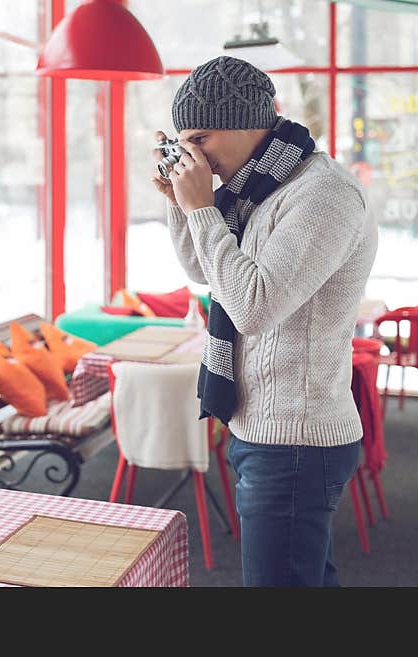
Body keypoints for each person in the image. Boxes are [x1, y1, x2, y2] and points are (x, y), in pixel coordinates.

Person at [151, 56, 377, 586]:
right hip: (264, 426)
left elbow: (252, 307)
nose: (193, 156)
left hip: (297, 435)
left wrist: (203, 208)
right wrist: (182, 206)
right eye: (185, 143)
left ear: (246, 123)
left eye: (201, 139)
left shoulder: (322, 193)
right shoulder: (258, 187)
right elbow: (204, 271)